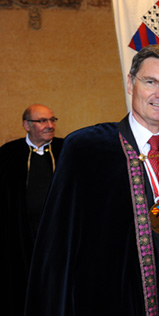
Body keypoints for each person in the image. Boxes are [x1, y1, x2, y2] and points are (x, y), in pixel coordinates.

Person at [25, 45, 159, 316]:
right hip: (110, 301)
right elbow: (57, 247)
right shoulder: (87, 150)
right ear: (130, 83)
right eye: (150, 82)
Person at [1, 104, 63, 316]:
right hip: (24, 237)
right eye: (42, 121)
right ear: (26, 125)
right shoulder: (9, 154)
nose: (50, 125)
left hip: (61, 236)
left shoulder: (66, 150)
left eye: (52, 120)